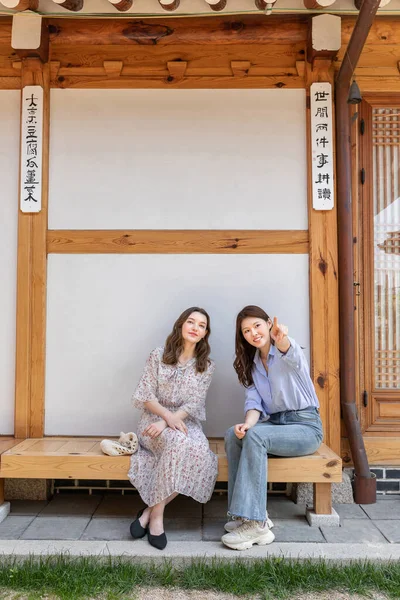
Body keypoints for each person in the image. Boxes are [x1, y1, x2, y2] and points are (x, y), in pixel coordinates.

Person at [222, 305, 323, 551]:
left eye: (257, 325)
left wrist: (283, 339)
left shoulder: (287, 351)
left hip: (305, 426)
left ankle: (256, 524)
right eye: (246, 330)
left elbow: (292, 354)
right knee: (234, 435)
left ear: (269, 324)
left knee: (255, 438)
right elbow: (254, 404)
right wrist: (246, 425)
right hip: (277, 425)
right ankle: (243, 515)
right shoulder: (254, 364)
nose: (253, 333)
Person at [128, 307, 217, 550]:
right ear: (181, 325)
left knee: (200, 454)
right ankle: (157, 521)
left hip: (185, 422)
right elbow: (145, 395)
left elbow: (194, 403)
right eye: (191, 321)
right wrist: (165, 418)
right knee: (177, 444)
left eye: (201, 325)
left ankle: (151, 511)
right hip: (153, 421)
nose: (195, 327)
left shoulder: (206, 366)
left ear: (204, 334)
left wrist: (171, 420)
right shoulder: (158, 356)